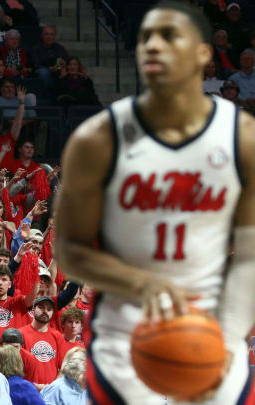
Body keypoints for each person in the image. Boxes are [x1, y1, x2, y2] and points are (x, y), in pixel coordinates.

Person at [55, 2, 255, 404]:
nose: (154, 49)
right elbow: (69, 250)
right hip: (125, 324)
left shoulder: (242, 139)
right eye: (146, 40)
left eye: (170, 39)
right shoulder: (96, 139)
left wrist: (227, 333)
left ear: (202, 54)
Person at [29, 25, 70, 99]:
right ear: (42, 36)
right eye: (46, 34)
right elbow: (36, 65)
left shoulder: (60, 48)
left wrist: (64, 64)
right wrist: (50, 69)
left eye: (51, 34)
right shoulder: (36, 48)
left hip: (58, 72)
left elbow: (66, 60)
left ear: (55, 36)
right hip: (42, 72)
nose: (49, 36)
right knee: (43, 72)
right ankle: (50, 96)